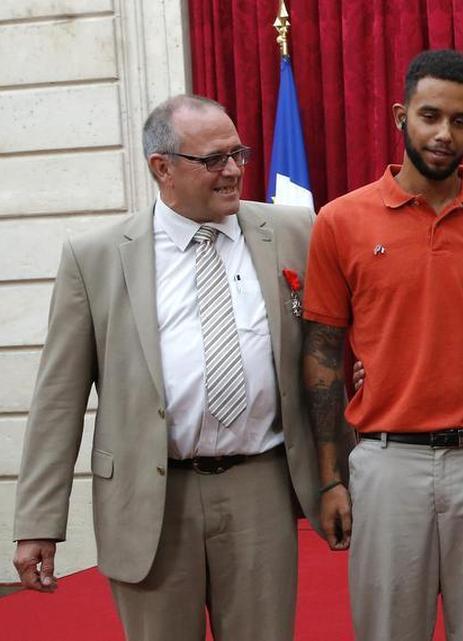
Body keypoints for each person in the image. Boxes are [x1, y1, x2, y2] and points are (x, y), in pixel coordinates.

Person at [10, 94, 321, 640]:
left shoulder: (297, 232)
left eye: (239, 154)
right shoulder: (98, 257)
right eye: (213, 160)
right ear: (163, 168)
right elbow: (58, 400)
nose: (233, 172)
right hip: (151, 497)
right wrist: (39, 522)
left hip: (259, 488)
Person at [301, 49, 463, 641]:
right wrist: (330, 479)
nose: (443, 134)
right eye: (430, 116)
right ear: (401, 115)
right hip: (386, 463)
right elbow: (325, 354)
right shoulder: (339, 220)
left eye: (460, 121)